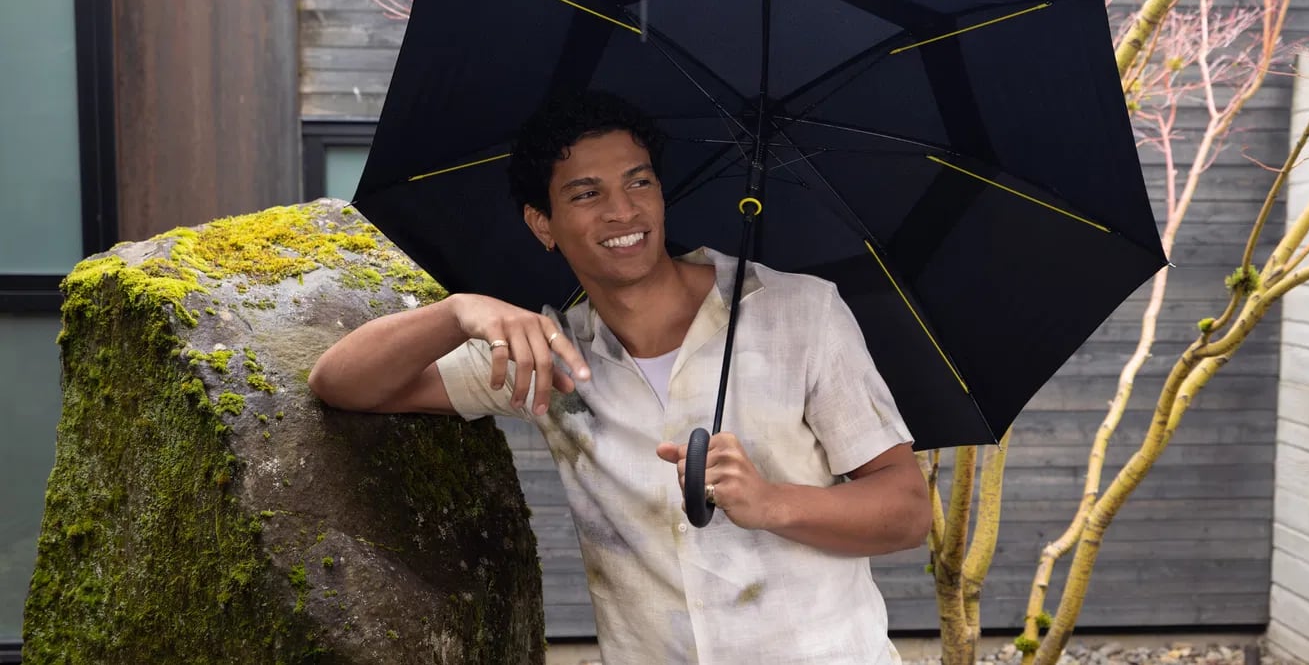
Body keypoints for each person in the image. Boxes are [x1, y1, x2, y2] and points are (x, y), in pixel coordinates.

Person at [309, 91, 931, 664]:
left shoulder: (800, 313)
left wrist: (771, 502)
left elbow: (905, 509)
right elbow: (342, 383)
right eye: (586, 194)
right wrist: (458, 312)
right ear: (542, 224)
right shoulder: (547, 356)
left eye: (639, 182)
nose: (623, 210)